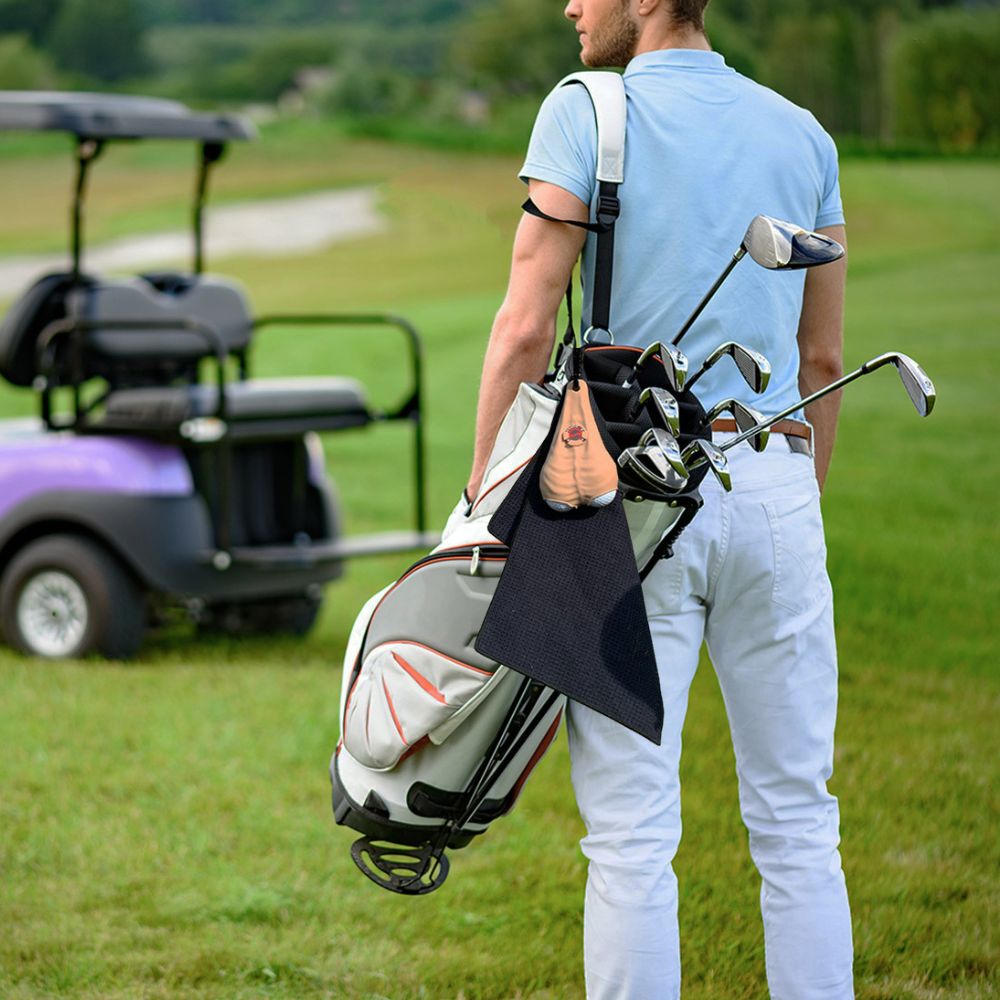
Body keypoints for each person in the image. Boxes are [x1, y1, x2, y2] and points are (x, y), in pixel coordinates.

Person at [464, 0, 852, 997]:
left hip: (619, 494)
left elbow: (521, 326)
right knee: (799, 816)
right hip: (771, 479)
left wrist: (480, 507)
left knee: (631, 829)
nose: (570, 7)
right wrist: (782, 505)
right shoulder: (803, 135)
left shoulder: (587, 112)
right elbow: (823, 358)